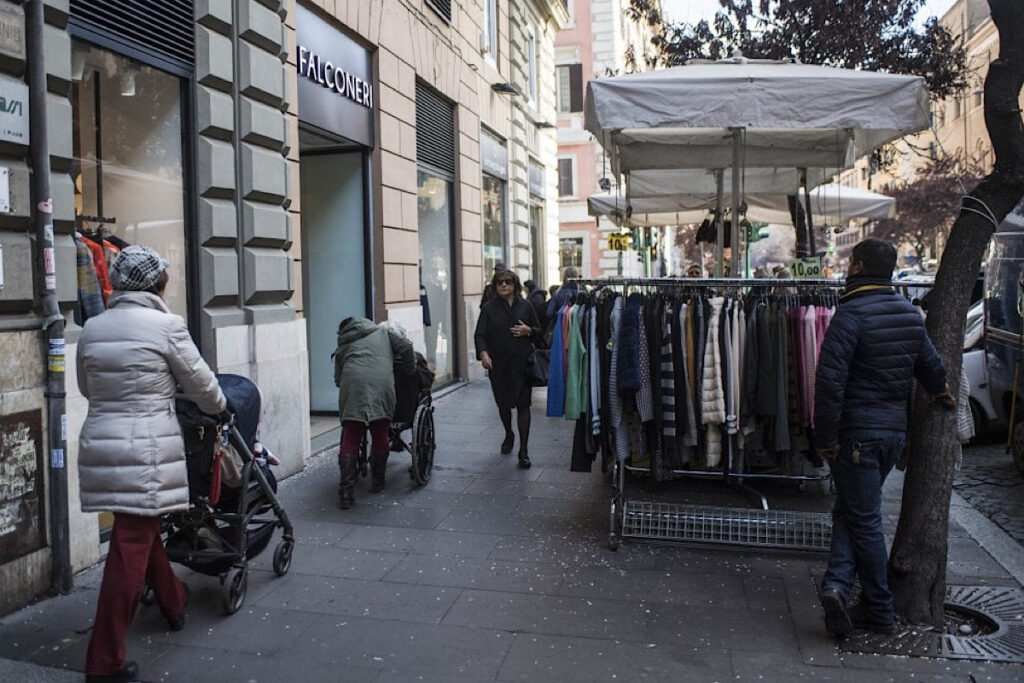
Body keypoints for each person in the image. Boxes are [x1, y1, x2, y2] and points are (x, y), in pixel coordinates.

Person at [77, 246, 227, 683]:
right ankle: (104, 662)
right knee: (130, 546)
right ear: (155, 283)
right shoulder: (166, 327)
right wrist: (219, 407)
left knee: (140, 530)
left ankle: (173, 602)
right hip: (144, 450)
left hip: (103, 442)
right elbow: (203, 387)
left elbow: (89, 388)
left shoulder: (94, 327)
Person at [814, 238, 952, 639]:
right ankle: (837, 587)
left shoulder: (850, 314)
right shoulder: (909, 314)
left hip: (856, 435)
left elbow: (829, 382)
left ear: (858, 266)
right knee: (853, 512)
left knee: (865, 520)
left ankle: (879, 609)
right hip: (892, 433)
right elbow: (931, 366)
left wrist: (825, 437)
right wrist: (941, 389)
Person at [333, 317, 415, 507]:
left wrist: (342, 383)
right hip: (381, 384)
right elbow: (406, 347)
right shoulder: (383, 333)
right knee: (380, 431)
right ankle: (378, 481)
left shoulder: (344, 342)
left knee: (351, 435)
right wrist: (409, 370)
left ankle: (346, 491)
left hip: (352, 386)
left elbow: (338, 377)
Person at [474, 269, 542, 468]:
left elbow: (540, 332)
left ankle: (524, 450)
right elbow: (479, 335)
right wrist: (483, 354)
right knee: (503, 405)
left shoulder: (526, 306)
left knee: (523, 405)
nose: (504, 285)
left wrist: (529, 331)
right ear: (495, 287)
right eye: (499, 282)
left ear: (515, 285)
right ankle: (509, 433)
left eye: (508, 282)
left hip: (522, 364)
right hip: (498, 365)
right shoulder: (489, 308)